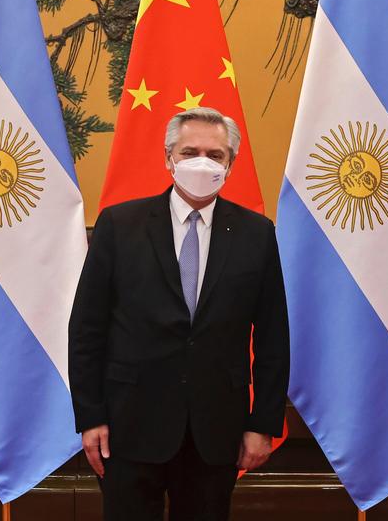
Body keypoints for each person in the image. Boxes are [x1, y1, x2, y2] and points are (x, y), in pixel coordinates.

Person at [69, 107, 289, 521]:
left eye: (215, 154)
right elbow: (86, 328)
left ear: (230, 164)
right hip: (128, 425)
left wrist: (263, 424)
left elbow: (274, 336)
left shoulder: (257, 234)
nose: (201, 162)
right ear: (169, 157)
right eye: (190, 152)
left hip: (215, 429)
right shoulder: (120, 225)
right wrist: (90, 416)